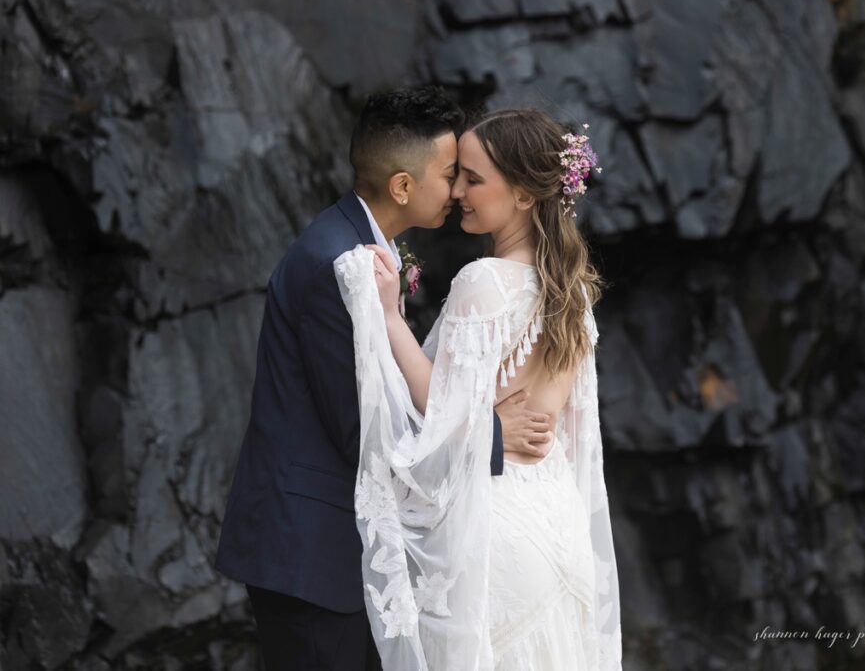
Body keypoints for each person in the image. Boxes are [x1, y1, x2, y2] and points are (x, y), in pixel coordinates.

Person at [214, 88, 555, 671]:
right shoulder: (336, 266)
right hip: (312, 554)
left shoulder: (362, 246)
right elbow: (367, 432)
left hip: (332, 548)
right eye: (450, 174)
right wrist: (490, 433)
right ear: (402, 186)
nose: (456, 191)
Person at [334, 108, 622, 670]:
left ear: (521, 195)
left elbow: (438, 409)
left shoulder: (484, 281)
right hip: (559, 525)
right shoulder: (575, 293)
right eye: (457, 175)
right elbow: (565, 430)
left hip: (495, 525)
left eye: (472, 178)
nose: (458, 191)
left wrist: (391, 318)